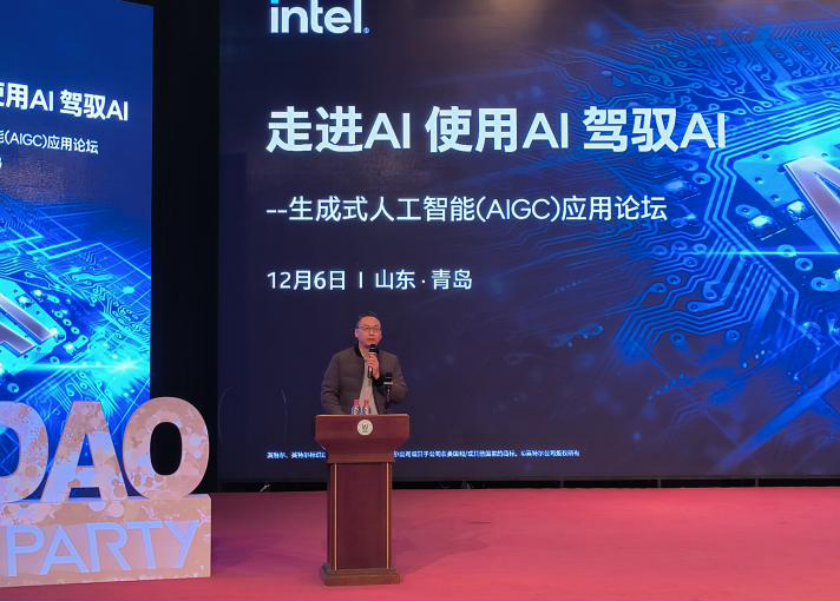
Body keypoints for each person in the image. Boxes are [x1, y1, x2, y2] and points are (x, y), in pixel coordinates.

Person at [320, 312, 408, 415]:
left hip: (380, 421)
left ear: (381, 335)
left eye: (376, 329)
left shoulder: (391, 360)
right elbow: (328, 394)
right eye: (366, 328)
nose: (371, 333)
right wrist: (342, 419)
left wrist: (379, 378)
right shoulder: (340, 359)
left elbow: (400, 395)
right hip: (349, 420)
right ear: (356, 333)